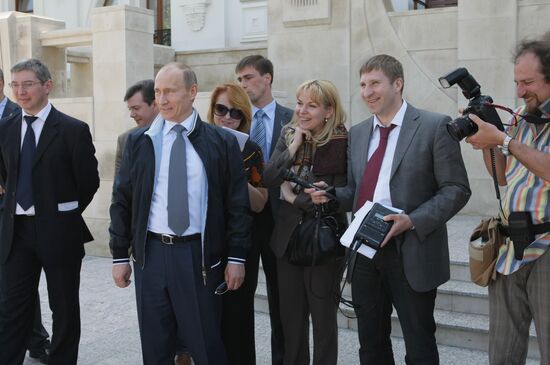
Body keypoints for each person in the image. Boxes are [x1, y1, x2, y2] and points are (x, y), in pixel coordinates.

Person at [310, 54, 471, 364]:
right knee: (370, 346)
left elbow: (457, 189)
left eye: (375, 84)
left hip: (412, 251)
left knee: (419, 345)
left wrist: (412, 220)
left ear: (398, 84)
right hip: (365, 253)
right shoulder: (357, 133)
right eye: (362, 85)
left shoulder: (434, 126)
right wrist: (330, 195)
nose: (367, 92)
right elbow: (357, 193)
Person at [110, 62, 251, 365]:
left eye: (170, 91)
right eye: (158, 92)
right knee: (156, 346)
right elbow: (122, 200)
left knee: (206, 345)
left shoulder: (221, 142)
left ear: (192, 92)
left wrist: (237, 257)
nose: (162, 99)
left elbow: (237, 205)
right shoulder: (139, 141)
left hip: (198, 257)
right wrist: (120, 255)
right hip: (151, 255)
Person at [0, 58, 100, 364]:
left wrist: (60, 211)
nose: (21, 91)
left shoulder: (72, 130)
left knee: (64, 308)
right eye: (15, 85)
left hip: (59, 232)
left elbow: (88, 182)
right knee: (11, 308)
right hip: (15, 234)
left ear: (47, 86)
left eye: (28, 84)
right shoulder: (4, 128)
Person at [465, 34, 550, 364]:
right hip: (509, 245)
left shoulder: (514, 128)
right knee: (501, 353)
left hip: (547, 246)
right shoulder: (518, 116)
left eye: (528, 82)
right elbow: (501, 175)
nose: (519, 91)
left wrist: (504, 139)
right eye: (516, 82)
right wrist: (487, 140)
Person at [262, 79, 348, 365]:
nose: (302, 110)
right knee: (291, 321)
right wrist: (295, 144)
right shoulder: (288, 133)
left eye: (312, 105)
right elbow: (269, 178)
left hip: (322, 242)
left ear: (328, 110)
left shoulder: (340, 140)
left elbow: (333, 193)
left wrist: (291, 196)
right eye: (300, 103)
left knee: (323, 323)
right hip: (287, 241)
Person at [235, 55, 293, 365]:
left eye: (248, 77)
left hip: (280, 224)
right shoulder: (236, 119)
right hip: (243, 224)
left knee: (281, 305)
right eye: (240, 79)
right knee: (240, 302)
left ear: (267, 78)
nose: (243, 84)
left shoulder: (293, 119)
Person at [207, 82, 268, 365]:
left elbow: (260, 202)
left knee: (237, 319)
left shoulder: (250, 150)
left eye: (236, 113)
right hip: (204, 243)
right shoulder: (197, 144)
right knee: (205, 320)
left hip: (241, 242)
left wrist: (233, 174)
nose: (227, 117)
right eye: (221, 109)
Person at [0, 67, 51, 364]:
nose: (21, 91)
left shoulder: (15, 114)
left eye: (25, 84)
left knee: (18, 282)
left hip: (18, 212)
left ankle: (35, 339)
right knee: (10, 284)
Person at [114, 79, 159, 176]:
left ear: (155, 104)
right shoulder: (124, 140)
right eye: (130, 109)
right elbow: (120, 187)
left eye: (136, 108)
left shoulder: (178, 135)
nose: (132, 115)